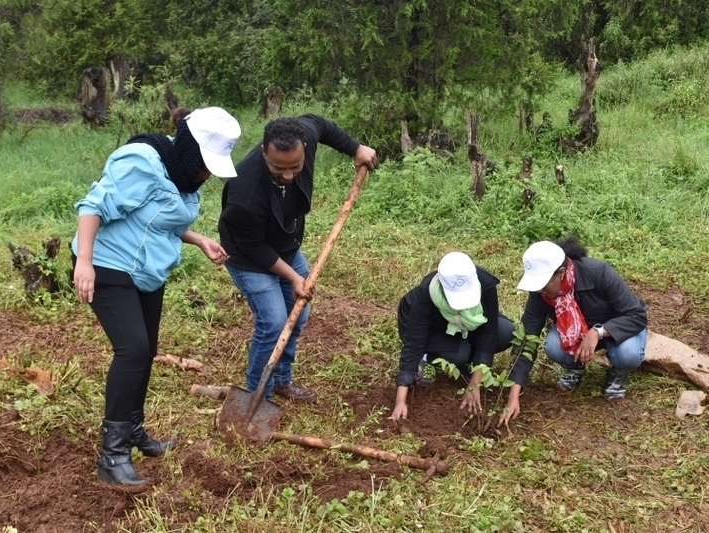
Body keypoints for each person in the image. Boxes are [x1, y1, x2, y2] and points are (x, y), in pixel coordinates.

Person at [72, 106, 241, 486]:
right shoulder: (143, 161)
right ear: (190, 149)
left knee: (146, 350)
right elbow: (92, 206)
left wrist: (198, 240)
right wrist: (84, 261)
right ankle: (112, 456)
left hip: (146, 272)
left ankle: (133, 432)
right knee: (131, 348)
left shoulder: (181, 173)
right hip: (107, 262)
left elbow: (157, 216)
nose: (205, 175)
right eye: (204, 165)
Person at [218, 115, 377, 402]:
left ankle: (281, 380)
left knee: (299, 313)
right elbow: (254, 247)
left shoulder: (305, 135)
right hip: (247, 256)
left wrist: (356, 148)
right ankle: (257, 396)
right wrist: (292, 277)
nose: (289, 175)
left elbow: (322, 124)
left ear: (303, 147)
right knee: (274, 322)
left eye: (296, 166)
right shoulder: (245, 190)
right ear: (264, 151)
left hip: (286, 246)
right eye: (279, 168)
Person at [498, 237, 647, 427]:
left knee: (629, 353)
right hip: (576, 333)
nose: (540, 291)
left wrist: (598, 332)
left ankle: (617, 373)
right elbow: (527, 339)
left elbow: (637, 315)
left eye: (543, 284)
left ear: (561, 273)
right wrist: (513, 395)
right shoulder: (540, 293)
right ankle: (576, 368)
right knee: (553, 346)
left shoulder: (598, 272)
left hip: (617, 329)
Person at [389, 252, 515, 420]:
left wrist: (474, 384)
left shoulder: (485, 285)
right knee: (459, 354)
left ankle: (464, 359)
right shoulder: (428, 294)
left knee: (506, 331)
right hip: (430, 326)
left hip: (460, 325)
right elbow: (413, 343)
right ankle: (427, 357)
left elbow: (489, 331)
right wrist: (400, 401)